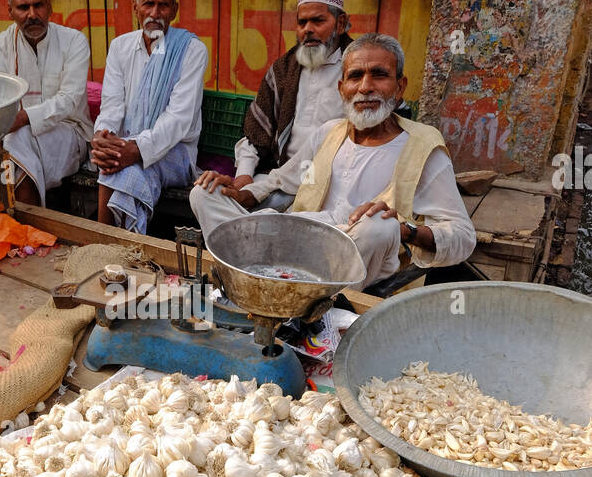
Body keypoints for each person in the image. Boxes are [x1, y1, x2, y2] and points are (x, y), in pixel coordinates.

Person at [200, 33, 476, 289]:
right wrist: (241, 193)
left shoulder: (423, 146)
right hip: (299, 242)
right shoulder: (328, 133)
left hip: (357, 258)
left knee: (379, 225)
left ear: (400, 86)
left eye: (379, 75)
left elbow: (463, 236)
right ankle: (246, 280)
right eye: (355, 76)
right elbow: (282, 181)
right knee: (204, 193)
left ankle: (315, 302)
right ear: (342, 88)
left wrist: (406, 231)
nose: (365, 88)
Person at [190, 0, 350, 234]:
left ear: (341, 23)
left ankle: (250, 247)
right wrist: (244, 176)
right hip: (275, 182)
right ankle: (245, 251)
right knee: (202, 194)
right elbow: (255, 134)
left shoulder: (357, 72)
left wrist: (254, 192)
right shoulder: (285, 69)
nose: (307, 30)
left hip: (328, 189)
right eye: (302, 23)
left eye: (318, 21)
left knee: (286, 220)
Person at [92, 0, 208, 232]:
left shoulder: (191, 50)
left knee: (126, 171)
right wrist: (103, 134)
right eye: (148, 4)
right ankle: (106, 246)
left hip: (175, 151)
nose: (155, 13)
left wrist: (136, 149)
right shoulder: (120, 47)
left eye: (163, 5)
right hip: (125, 144)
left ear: (175, 9)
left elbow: (178, 120)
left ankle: (119, 248)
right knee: (110, 162)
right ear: (136, 7)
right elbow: (111, 104)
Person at [0, 0, 91, 207]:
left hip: (70, 131)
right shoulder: (1, 48)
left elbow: (69, 100)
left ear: (49, 6)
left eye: (38, 5)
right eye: (23, 7)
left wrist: (23, 118)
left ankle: (27, 225)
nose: (32, 15)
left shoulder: (74, 41)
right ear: (10, 11)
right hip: (13, 136)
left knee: (15, 142)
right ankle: (27, 225)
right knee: (8, 147)